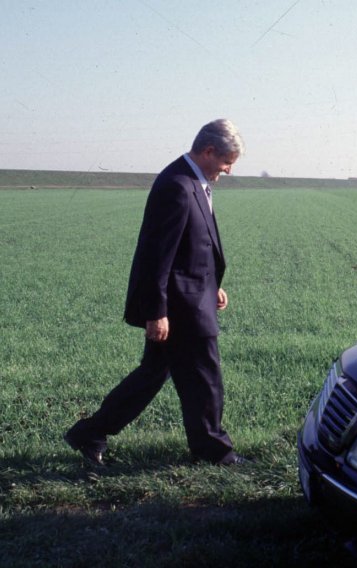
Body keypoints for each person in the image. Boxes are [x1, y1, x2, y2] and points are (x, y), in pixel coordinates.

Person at [65, 119, 249, 466]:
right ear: (208, 151)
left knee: (152, 374)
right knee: (205, 378)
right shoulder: (178, 185)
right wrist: (156, 311)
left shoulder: (193, 180)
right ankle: (214, 453)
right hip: (180, 307)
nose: (227, 171)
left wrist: (213, 286)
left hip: (192, 296)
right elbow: (157, 254)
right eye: (226, 163)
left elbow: (193, 245)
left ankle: (89, 433)